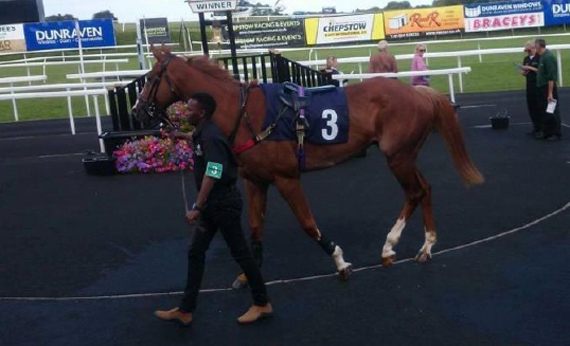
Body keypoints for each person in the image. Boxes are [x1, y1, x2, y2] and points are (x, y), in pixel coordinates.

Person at [154, 93, 273, 326]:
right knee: (195, 252)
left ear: (202, 113)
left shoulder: (211, 136)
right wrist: (179, 135)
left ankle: (262, 303)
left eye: (189, 110)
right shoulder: (203, 132)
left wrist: (197, 205)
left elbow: (214, 171)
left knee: (241, 255)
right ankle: (186, 310)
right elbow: (197, 139)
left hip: (223, 205)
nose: (185, 113)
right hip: (213, 205)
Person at [528, 39, 562, 141]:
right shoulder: (542, 57)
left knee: (551, 110)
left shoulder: (549, 57)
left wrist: (550, 93)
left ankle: (556, 133)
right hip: (541, 88)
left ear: (539, 46)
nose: (534, 48)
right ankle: (547, 132)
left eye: (535, 46)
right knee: (543, 110)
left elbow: (551, 77)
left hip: (547, 88)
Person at [520, 41, 541, 136]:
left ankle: (542, 128)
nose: (527, 53)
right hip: (529, 85)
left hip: (538, 85)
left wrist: (530, 67)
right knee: (531, 106)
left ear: (533, 48)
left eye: (529, 50)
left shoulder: (539, 57)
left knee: (539, 107)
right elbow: (525, 72)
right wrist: (524, 72)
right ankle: (535, 127)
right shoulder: (526, 59)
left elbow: (541, 71)